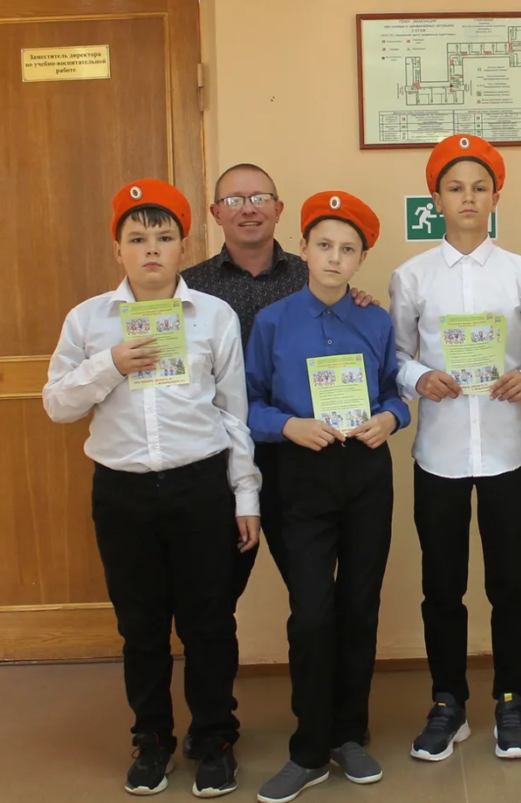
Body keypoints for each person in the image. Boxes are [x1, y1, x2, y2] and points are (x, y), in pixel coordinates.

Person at [42, 179, 260, 797]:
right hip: (123, 493)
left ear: (182, 244)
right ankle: (152, 739)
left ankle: (214, 738)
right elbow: (56, 404)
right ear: (118, 249)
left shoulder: (213, 315)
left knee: (209, 623)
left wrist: (245, 494)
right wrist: (110, 363)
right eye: (137, 239)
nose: (151, 250)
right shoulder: (88, 320)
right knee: (140, 626)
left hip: (200, 487)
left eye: (164, 237)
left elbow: (234, 413)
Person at [389, 134, 521, 763]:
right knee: (442, 585)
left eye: (479, 187)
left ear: (496, 197)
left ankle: (512, 701)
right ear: (435, 199)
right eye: (455, 188)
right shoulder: (411, 277)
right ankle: (447, 702)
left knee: (510, 583)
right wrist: (418, 379)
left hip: (508, 453)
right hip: (438, 455)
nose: (468, 198)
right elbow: (394, 357)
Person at [247, 191, 410, 803]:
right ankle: (308, 748)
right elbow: (248, 403)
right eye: (323, 245)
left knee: (360, 605)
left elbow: (395, 391)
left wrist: (389, 419)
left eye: (347, 249)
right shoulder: (273, 322)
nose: (334, 258)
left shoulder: (376, 320)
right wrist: (288, 425)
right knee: (313, 612)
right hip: (301, 475)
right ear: (303, 250)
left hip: (365, 473)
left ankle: (349, 734)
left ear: (361, 259)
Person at [181, 163, 376, 605]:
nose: (248, 209)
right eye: (234, 200)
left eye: (260, 199)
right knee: (215, 595)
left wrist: (359, 303)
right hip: (219, 457)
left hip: (301, 455)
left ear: (278, 208)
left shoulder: (313, 274)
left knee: (313, 599)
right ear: (216, 212)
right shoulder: (190, 289)